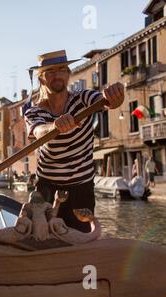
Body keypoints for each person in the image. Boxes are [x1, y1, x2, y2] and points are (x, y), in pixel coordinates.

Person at [24, 50, 125, 232]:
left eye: (62, 69)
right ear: (41, 79)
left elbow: (107, 102)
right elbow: (38, 131)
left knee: (80, 238)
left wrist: (116, 96)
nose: (57, 75)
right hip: (46, 187)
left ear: (69, 74)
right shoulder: (33, 112)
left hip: (81, 188)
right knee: (40, 237)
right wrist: (54, 127)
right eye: (50, 71)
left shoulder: (83, 98)